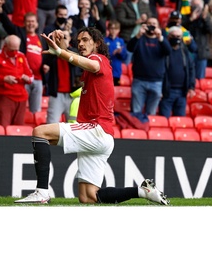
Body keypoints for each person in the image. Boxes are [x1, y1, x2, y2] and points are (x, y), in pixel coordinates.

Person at [14, 27, 169, 205]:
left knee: (40, 132)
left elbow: (89, 63)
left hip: (96, 129)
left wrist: (60, 52)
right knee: (88, 197)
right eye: (78, 41)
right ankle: (143, 191)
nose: (80, 44)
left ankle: (41, 192)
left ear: (97, 43)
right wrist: (62, 44)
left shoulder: (99, 59)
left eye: (85, 40)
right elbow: (77, 59)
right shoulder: (92, 66)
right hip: (103, 138)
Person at [0, 0, 46, 113]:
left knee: (35, 111)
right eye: (28, 22)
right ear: (24, 23)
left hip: (38, 79)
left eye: (33, 22)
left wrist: (45, 66)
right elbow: (8, 24)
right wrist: (1, 11)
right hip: (22, 78)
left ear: (37, 23)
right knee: (21, 108)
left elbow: (46, 56)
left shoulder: (41, 39)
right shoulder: (19, 33)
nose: (30, 24)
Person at [0, 35, 33, 127]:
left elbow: (31, 76)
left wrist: (27, 79)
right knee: (3, 126)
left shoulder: (21, 56)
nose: (14, 53)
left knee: (19, 129)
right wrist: (4, 79)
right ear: (5, 46)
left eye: (16, 50)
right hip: (4, 96)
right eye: (11, 50)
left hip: (21, 97)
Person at [127, 17, 171, 115]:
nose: (152, 26)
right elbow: (130, 48)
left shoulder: (161, 40)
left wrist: (160, 37)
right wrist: (138, 35)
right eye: (149, 23)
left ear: (158, 26)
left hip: (156, 82)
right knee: (136, 112)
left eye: (154, 24)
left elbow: (168, 51)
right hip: (139, 80)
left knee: (151, 113)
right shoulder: (140, 38)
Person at [43, 29, 82, 123]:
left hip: (72, 95)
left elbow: (75, 61)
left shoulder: (73, 52)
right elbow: (45, 61)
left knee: (74, 127)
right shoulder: (52, 53)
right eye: (59, 37)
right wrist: (54, 45)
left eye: (64, 37)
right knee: (51, 125)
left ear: (69, 39)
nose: (61, 40)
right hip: (56, 95)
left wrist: (63, 48)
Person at [159, 26, 196, 118]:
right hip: (167, 91)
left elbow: (191, 69)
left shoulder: (185, 52)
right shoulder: (163, 51)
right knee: (164, 120)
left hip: (182, 92)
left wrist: (191, 87)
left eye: (178, 36)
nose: (176, 38)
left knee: (180, 120)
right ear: (168, 37)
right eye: (173, 36)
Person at [116, 0, 152, 65]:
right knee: (126, 63)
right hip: (127, 39)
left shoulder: (144, 4)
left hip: (142, 39)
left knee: (142, 63)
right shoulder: (123, 4)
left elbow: (150, 16)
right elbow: (120, 21)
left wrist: (147, 17)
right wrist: (136, 21)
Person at [182, 0, 212, 79]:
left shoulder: (207, 18)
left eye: (197, 6)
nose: (195, 8)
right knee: (187, 75)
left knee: (200, 78)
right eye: (193, 5)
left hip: (201, 52)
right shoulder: (186, 17)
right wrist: (191, 19)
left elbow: (210, 29)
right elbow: (180, 27)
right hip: (188, 51)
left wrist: (205, 18)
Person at [104, 20, 127, 86]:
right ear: (108, 29)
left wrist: (120, 52)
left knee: (115, 91)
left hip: (117, 71)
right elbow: (103, 56)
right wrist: (113, 53)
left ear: (119, 30)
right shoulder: (104, 40)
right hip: (107, 71)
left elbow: (124, 57)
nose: (114, 31)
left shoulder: (121, 41)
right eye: (112, 28)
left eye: (116, 29)